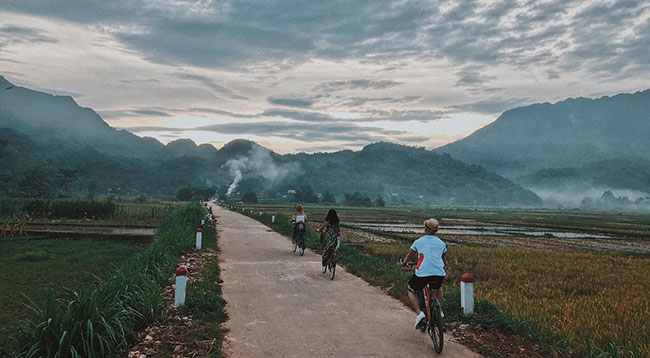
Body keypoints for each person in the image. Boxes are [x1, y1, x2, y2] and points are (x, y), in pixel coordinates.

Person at [400, 218, 446, 330]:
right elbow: (442, 258)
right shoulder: (442, 244)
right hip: (439, 273)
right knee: (438, 287)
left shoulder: (418, 242)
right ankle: (440, 311)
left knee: (411, 289)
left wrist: (404, 263)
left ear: (425, 229)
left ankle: (419, 313)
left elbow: (409, 256)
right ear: (436, 231)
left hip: (422, 274)